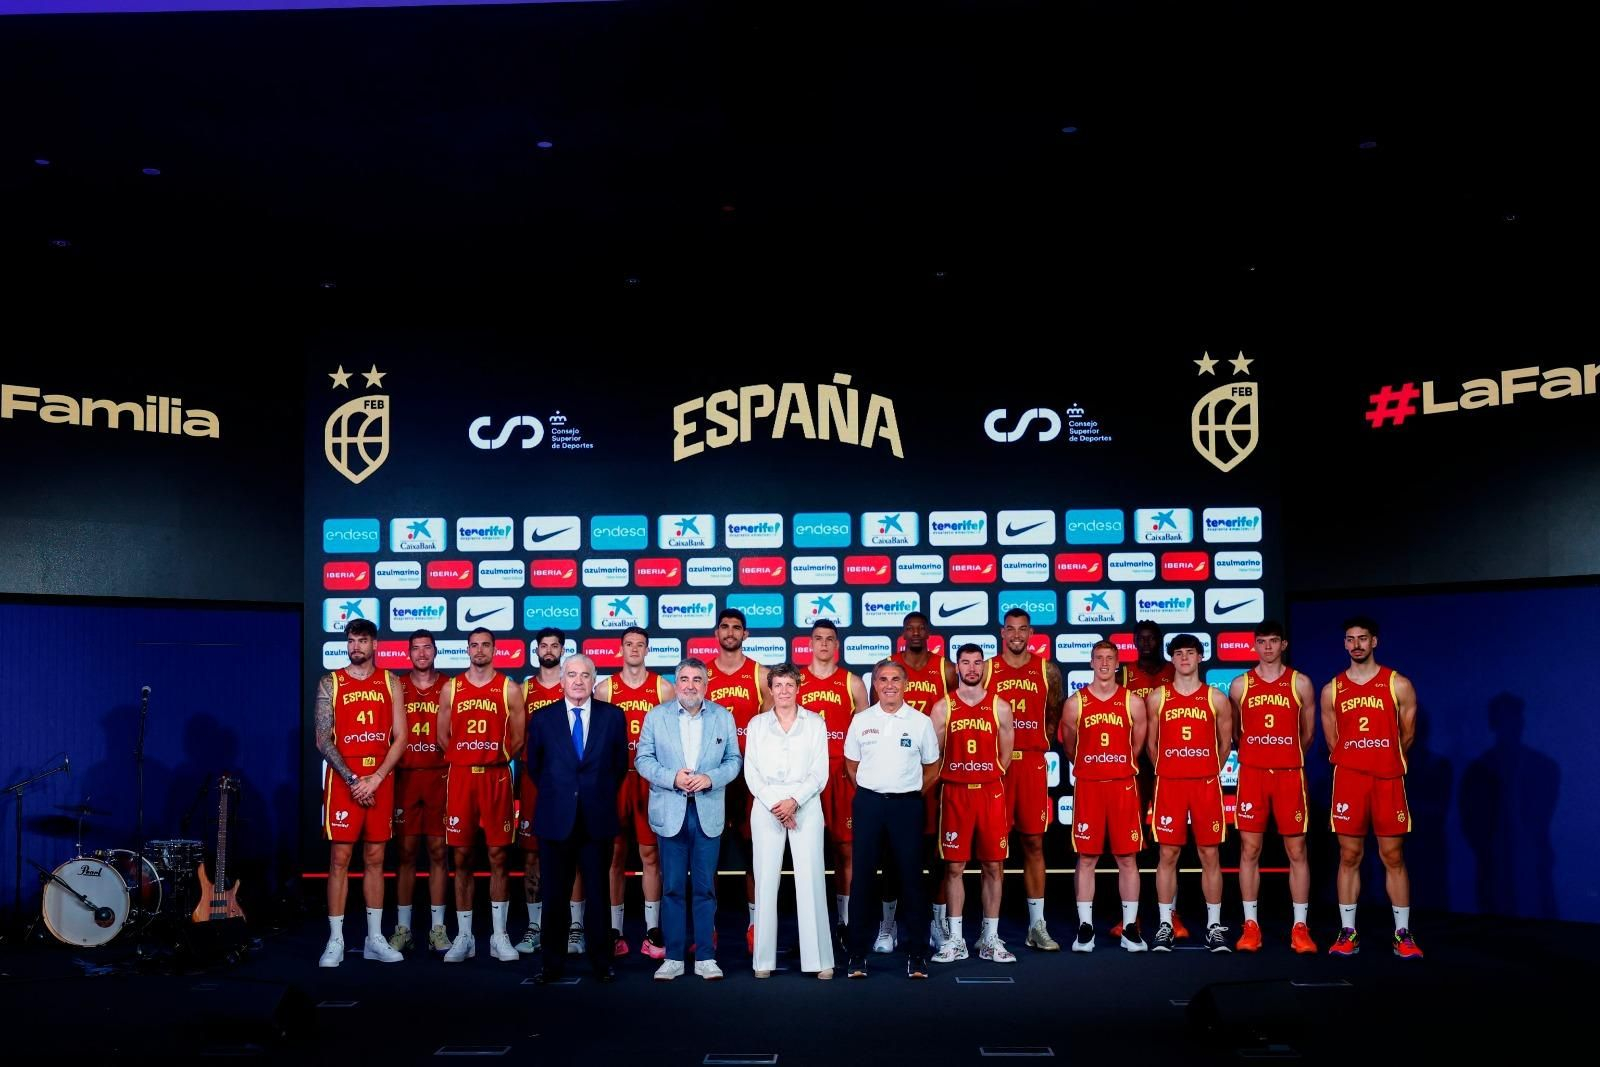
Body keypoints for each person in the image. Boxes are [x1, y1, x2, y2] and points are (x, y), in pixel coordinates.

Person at [634, 657, 743, 980]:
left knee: (705, 888)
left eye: (697, 679)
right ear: (676, 683)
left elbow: (734, 760)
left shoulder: (722, 717)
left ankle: (706, 957)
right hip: (671, 812)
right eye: (685, 679)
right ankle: (674, 957)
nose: (690, 685)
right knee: (672, 888)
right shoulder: (657, 716)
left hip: (707, 811)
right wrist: (672, 778)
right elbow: (643, 759)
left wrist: (710, 778)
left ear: (706, 685)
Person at [1321, 615, 1422, 959]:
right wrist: (1357, 758)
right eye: (1350, 639)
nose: (1356, 645)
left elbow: (1407, 735)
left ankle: (1402, 934)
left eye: (1362, 638)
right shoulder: (1332, 689)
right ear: (1344, 644)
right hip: (1349, 781)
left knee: (1393, 856)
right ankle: (1348, 932)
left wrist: (1384, 758)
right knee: (1349, 855)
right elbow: (1332, 740)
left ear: (1374, 641)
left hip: (1387, 779)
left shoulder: (1398, 684)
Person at [523, 653, 629, 981]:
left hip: (597, 818)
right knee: (554, 896)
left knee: (598, 894)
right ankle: (551, 964)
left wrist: (592, 793)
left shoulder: (613, 716)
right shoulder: (543, 718)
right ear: (562, 681)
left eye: (585, 675)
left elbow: (618, 766)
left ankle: (601, 962)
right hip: (556, 820)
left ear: (594, 680)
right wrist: (564, 793)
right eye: (572, 675)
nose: (578, 681)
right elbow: (535, 767)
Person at [315, 618, 407, 967]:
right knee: (339, 859)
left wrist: (377, 778)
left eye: (363, 640)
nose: (356, 646)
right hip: (345, 781)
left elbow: (401, 737)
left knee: (376, 859)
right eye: (352, 640)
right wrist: (355, 780)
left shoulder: (391, 681)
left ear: (375, 644)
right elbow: (323, 739)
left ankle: (375, 938)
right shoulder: (331, 682)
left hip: (379, 779)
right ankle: (336, 940)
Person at [844, 660, 942, 979]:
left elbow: (932, 767)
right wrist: (875, 791)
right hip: (869, 804)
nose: (889, 685)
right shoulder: (861, 720)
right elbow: (851, 764)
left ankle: (917, 954)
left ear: (905, 684)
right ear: (874, 685)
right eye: (883, 679)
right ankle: (857, 954)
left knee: (912, 880)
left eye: (895, 679)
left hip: (907, 806)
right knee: (862, 880)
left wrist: (908, 792)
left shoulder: (920, 722)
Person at [436, 627, 527, 963]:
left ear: (494, 649)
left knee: (498, 856)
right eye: (474, 645)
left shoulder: (508, 688)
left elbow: (518, 738)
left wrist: (493, 758)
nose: (479, 650)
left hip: (495, 777)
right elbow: (442, 736)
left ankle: (499, 936)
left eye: (485, 645)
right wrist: (465, 756)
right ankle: (464, 936)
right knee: (461, 857)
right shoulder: (452, 688)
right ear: (467, 649)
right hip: (461, 778)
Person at [1228, 620, 1318, 953]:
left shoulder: (1300, 682)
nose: (1267, 647)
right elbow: (1235, 733)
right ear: (1255, 645)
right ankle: (1251, 925)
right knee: (1249, 850)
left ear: (1283, 645)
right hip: (1253, 775)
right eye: (1262, 641)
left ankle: (1300, 927)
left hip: (1289, 774)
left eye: (1273, 641)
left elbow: (1307, 734)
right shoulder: (1240, 685)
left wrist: (1285, 755)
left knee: (1297, 851)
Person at [745, 662, 834, 979]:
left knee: (811, 880)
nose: (783, 691)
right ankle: (763, 961)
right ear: (770, 689)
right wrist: (777, 804)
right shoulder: (757, 725)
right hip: (767, 805)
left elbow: (819, 771)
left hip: (805, 804)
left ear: (798, 688)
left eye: (789, 685)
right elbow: (751, 771)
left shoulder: (815, 723)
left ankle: (819, 960)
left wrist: (794, 801)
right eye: (778, 685)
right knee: (766, 880)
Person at [929, 644, 1015, 964]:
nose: (972, 669)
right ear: (957, 667)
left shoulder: (1000, 706)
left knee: (993, 865)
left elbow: (1006, 755)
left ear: (984, 667)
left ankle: (990, 938)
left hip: (990, 792)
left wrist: (989, 773)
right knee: (954, 867)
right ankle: (956, 939)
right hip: (955, 792)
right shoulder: (943, 707)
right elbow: (934, 755)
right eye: (965, 663)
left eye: (977, 662)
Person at [1060, 640, 1148, 952]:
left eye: (1110, 658)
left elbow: (1137, 745)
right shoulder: (1076, 703)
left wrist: (1116, 764)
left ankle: (1130, 928)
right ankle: (1085, 928)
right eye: (1099, 658)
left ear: (1118, 662)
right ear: (1091, 662)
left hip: (1122, 785)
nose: (1105, 663)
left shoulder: (1132, 702)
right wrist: (1092, 764)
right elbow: (1070, 746)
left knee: (1127, 857)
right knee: (1086, 857)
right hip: (1089, 786)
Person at [1146, 633, 1233, 952]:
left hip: (1204, 784)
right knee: (1167, 854)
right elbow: (1151, 745)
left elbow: (1225, 744)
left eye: (1190, 652)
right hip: (1170, 784)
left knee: (1210, 854)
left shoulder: (1216, 698)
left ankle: (1214, 926)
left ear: (1200, 656)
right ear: (1172, 658)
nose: (1184, 658)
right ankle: (1165, 924)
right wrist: (1170, 769)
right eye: (1179, 653)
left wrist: (1207, 769)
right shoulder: (1158, 697)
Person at [988, 608, 1066, 951]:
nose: (1017, 635)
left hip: (1031, 764)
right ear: (1002, 633)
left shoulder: (1047, 670)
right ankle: (990, 929)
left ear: (1031, 633)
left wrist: (1037, 742)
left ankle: (1037, 925)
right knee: (994, 850)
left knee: (1034, 843)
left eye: (1022, 629)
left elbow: (1053, 714)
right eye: (1011, 629)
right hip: (997, 767)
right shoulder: (987, 668)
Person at [596, 625, 674, 959]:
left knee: (650, 855)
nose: (634, 649)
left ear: (647, 649)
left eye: (640, 645)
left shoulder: (662, 687)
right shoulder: (604, 689)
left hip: (649, 780)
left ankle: (652, 930)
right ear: (621, 648)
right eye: (628, 644)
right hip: (616, 780)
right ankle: (614, 930)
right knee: (614, 856)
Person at [881, 612, 957, 952]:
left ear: (928, 633)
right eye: (909, 628)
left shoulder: (946, 669)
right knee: (891, 855)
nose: (915, 633)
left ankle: (937, 924)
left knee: (936, 855)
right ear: (903, 633)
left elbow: (958, 709)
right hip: (895, 773)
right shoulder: (889, 666)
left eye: (920, 628)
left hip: (933, 774)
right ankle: (888, 926)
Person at [796, 619, 867, 949]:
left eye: (829, 639)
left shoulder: (852, 682)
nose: (823, 644)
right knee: (805, 852)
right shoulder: (795, 681)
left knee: (845, 849)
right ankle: (810, 923)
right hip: (805, 774)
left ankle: (845, 921)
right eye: (818, 638)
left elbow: (867, 732)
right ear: (810, 643)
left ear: (837, 645)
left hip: (841, 773)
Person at [704, 608, 769, 953]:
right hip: (712, 776)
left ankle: (756, 926)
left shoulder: (761, 674)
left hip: (749, 776)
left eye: (737, 627)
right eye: (725, 627)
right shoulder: (701, 674)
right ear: (717, 633)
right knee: (707, 855)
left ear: (746, 634)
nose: (730, 632)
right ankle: (708, 927)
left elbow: (772, 728)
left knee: (754, 853)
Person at [1113, 619, 1178, 940]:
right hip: (1136, 766)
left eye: (1153, 638)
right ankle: (1132, 917)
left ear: (1160, 641)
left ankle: (1171, 916)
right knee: (1131, 842)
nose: (1147, 643)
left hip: (1170, 764)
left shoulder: (1175, 670)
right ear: (1135, 642)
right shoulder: (1124, 674)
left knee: (1171, 842)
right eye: (1142, 638)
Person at [388, 629, 451, 954]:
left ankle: (438, 929)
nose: (422, 653)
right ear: (409, 653)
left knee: (439, 852)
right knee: (406, 854)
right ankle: (403, 928)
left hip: (441, 777)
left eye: (427, 648)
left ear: (436, 651)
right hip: (406, 779)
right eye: (416, 648)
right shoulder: (396, 686)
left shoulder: (450, 686)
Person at [516, 627, 567, 955]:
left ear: (562, 650)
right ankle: (534, 925)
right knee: (532, 854)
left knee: (574, 850)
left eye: (554, 645)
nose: (548, 650)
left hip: (568, 780)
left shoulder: (572, 683)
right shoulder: (524, 689)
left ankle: (575, 927)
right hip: (534, 780)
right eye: (543, 646)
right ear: (536, 651)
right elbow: (516, 736)